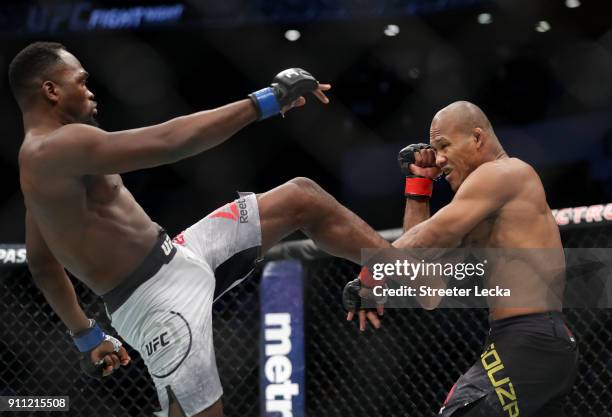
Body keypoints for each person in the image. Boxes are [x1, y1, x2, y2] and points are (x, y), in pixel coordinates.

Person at [10, 41, 391, 417]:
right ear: (51, 90)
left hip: (180, 252)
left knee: (301, 197)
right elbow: (169, 142)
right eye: (81, 81)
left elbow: (42, 263)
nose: (91, 91)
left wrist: (87, 337)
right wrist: (266, 101)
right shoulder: (56, 147)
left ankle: (413, 272)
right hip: (157, 306)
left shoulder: (37, 168)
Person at [345, 101, 578, 416]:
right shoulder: (484, 206)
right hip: (529, 341)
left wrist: (371, 273)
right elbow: (421, 273)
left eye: (444, 146)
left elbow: (435, 234)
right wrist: (419, 185)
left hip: (528, 339)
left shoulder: (503, 173)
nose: (439, 160)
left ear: (477, 138)